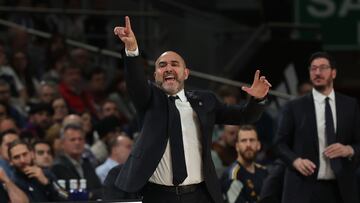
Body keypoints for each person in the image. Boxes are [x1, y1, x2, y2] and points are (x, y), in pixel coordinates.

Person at [113, 16, 271, 203]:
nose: (168, 68)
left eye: (174, 64)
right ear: (155, 75)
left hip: (199, 195)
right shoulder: (149, 99)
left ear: (185, 73)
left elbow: (245, 116)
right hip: (158, 195)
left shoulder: (206, 100)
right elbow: (136, 82)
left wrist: (258, 99)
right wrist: (131, 50)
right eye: (162, 66)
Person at [274, 51, 360, 203]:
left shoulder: (350, 105)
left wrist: (349, 150)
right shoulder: (294, 107)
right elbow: (279, 144)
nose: (317, 72)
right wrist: (295, 161)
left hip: (340, 189)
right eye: (313, 68)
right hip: (303, 187)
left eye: (322, 68)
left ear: (333, 73)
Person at [51, 122, 102, 200]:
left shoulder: (87, 163)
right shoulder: (58, 166)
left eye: (80, 139)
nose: (77, 142)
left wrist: (89, 194)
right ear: (63, 143)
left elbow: (100, 190)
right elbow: (66, 194)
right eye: (73, 139)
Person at [221, 124, 267, 203]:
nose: (248, 145)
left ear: (258, 145)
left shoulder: (265, 171)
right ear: (237, 146)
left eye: (252, 140)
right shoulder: (232, 175)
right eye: (244, 141)